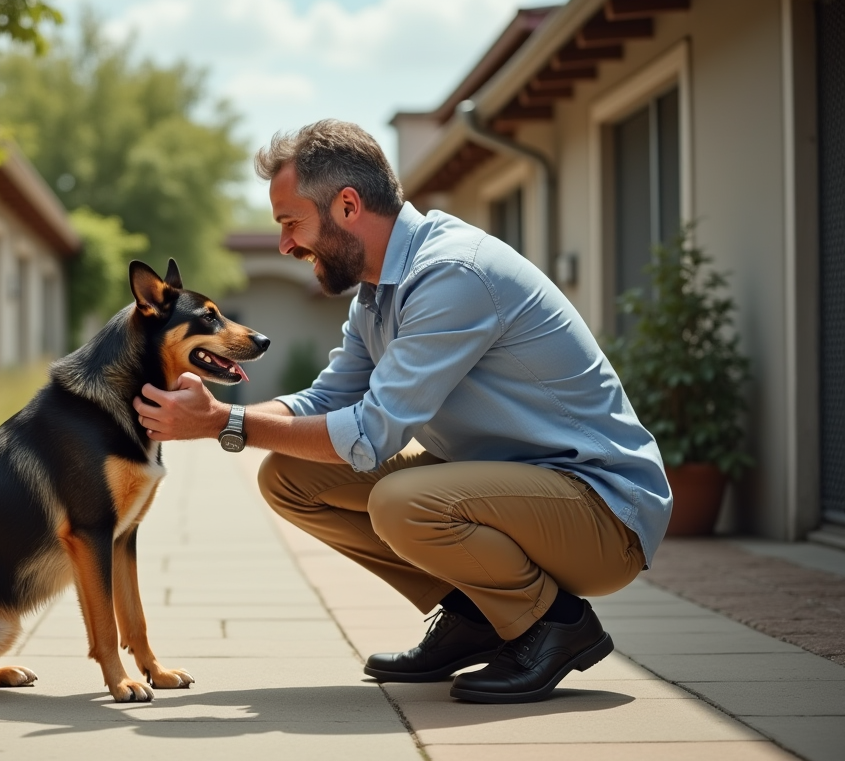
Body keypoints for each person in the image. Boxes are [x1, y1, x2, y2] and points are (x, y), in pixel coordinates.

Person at [132, 119, 672, 704]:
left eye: (291, 223)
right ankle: (477, 614)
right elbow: (326, 400)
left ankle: (557, 624)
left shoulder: (451, 274)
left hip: (601, 512)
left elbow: (369, 435)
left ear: (346, 205)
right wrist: (214, 414)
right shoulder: (378, 292)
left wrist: (223, 424)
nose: (286, 244)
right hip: (520, 492)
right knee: (290, 477)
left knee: (402, 503)